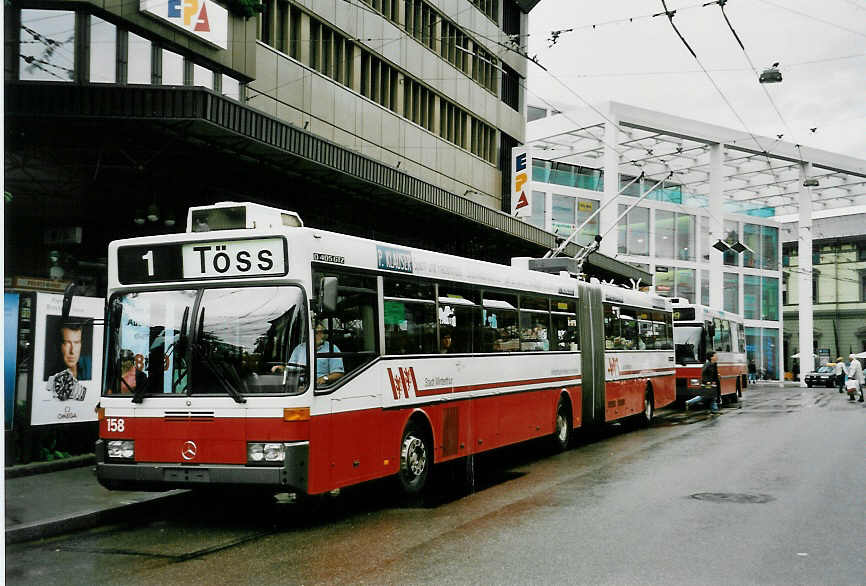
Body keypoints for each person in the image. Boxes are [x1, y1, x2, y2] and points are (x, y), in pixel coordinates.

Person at [287, 321, 344, 386]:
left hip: (319, 387)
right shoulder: (300, 348)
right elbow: (290, 368)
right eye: (317, 333)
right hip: (299, 385)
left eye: (322, 332)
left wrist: (325, 378)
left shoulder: (332, 348)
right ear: (309, 334)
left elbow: (339, 374)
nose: (321, 335)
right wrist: (282, 368)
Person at [45, 322, 90, 401]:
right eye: (67, 343)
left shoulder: (90, 366)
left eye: (76, 342)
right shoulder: (49, 377)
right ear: (58, 345)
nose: (72, 351)